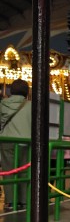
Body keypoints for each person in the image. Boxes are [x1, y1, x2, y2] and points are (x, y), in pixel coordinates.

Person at [0, 79, 31, 210]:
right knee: (24, 171)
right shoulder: (31, 106)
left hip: (7, 140)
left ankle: (11, 201)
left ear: (11, 90)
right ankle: (24, 200)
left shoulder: (3, 104)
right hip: (26, 142)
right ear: (27, 92)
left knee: (8, 171)